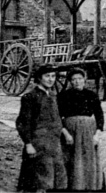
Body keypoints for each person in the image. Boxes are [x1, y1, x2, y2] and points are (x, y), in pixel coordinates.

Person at [16, 64, 68, 192]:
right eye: (47, 76)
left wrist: (64, 133)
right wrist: (28, 144)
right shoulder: (30, 97)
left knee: (57, 176)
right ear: (39, 78)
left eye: (53, 76)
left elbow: (56, 119)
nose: (51, 79)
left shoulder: (53, 95)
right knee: (40, 180)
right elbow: (23, 122)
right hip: (38, 143)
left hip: (54, 143)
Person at [57, 68, 104, 191]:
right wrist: (66, 134)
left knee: (88, 159)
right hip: (70, 132)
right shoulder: (63, 96)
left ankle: (88, 186)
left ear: (84, 80)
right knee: (72, 160)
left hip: (89, 132)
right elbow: (57, 117)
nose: (77, 82)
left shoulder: (91, 95)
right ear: (70, 82)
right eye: (73, 79)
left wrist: (97, 135)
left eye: (79, 79)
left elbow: (99, 116)